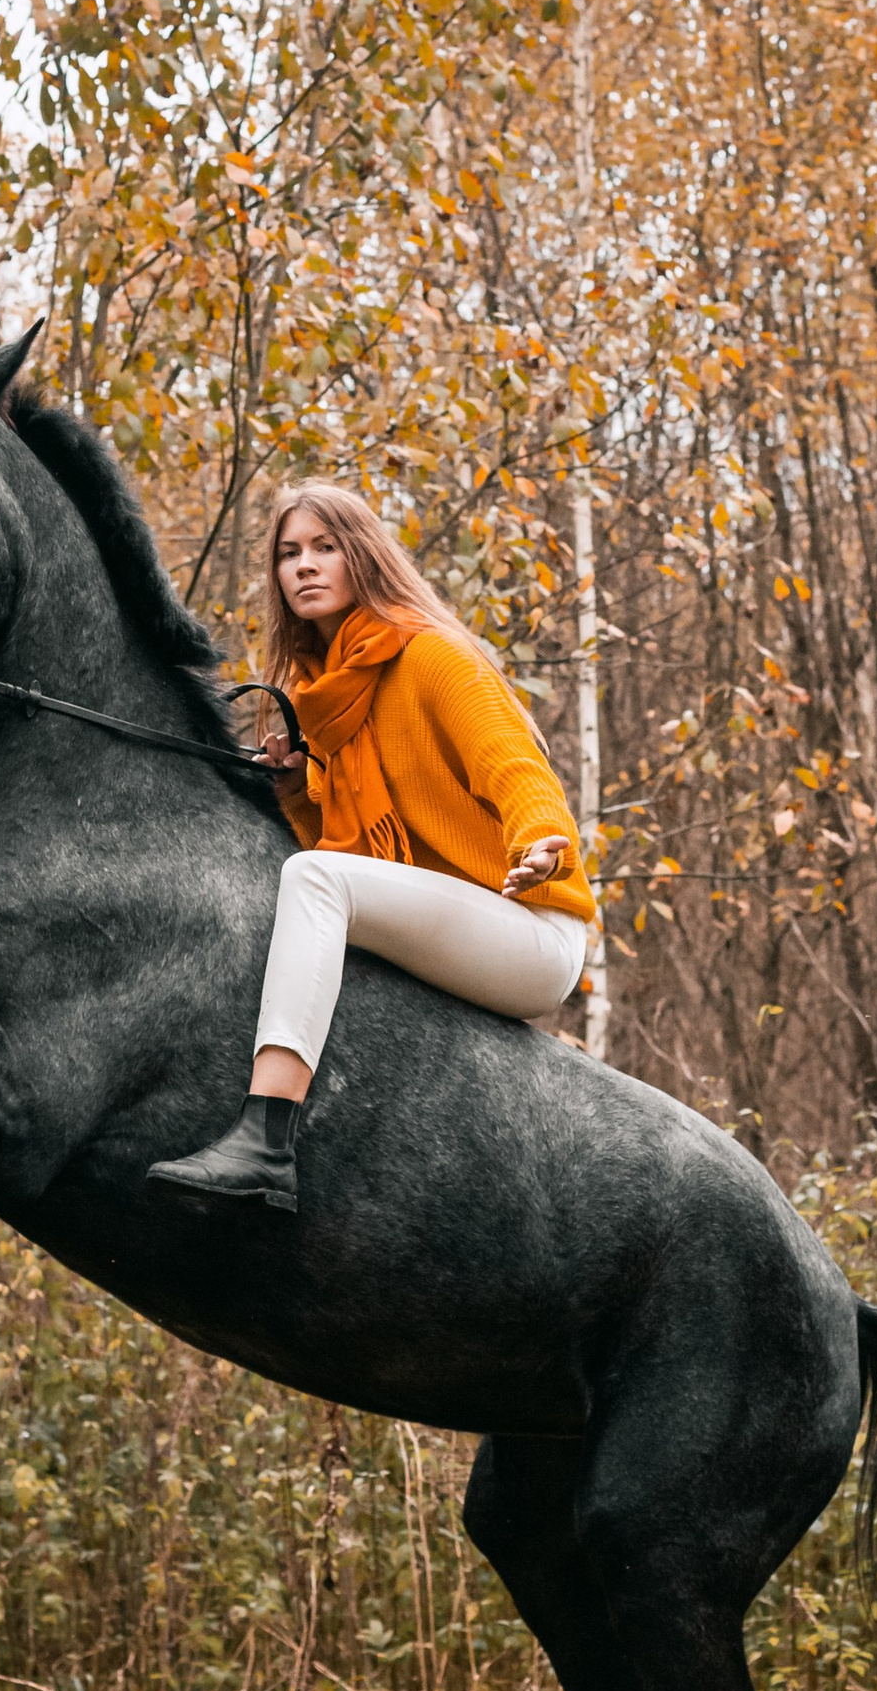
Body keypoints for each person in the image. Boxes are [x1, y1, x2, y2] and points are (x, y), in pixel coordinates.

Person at [147, 482, 597, 1213]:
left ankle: (265, 1139)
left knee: (318, 881)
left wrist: (542, 840)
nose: (305, 566)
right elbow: (356, 854)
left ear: (363, 558)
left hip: (533, 932)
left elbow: (514, 766)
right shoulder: (325, 699)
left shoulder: (431, 657)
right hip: (463, 922)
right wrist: (296, 788)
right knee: (312, 881)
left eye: (326, 548)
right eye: (290, 553)